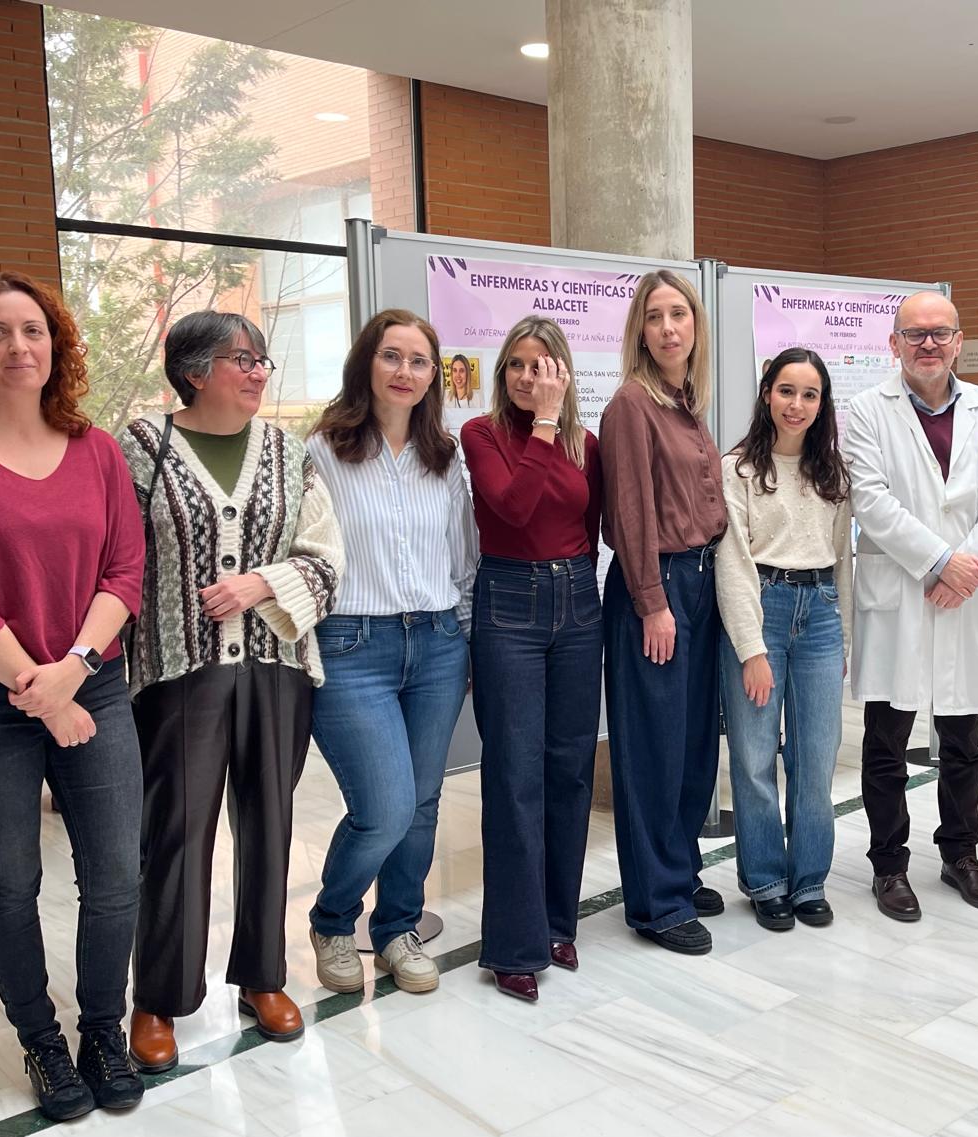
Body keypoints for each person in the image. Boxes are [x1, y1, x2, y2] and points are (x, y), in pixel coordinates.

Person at [0, 274, 146, 1121]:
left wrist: (74, 670)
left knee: (116, 873)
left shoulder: (97, 448)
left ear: (57, 344)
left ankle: (102, 1030)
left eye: (34, 330)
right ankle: (42, 1039)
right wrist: (43, 694)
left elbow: (125, 570)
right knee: (8, 878)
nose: (19, 347)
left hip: (92, 684)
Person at [120, 312, 343, 1073]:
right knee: (176, 834)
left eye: (261, 360)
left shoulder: (288, 450)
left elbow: (326, 559)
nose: (257, 372)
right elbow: (117, 561)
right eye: (240, 359)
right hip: (179, 674)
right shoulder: (141, 449)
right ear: (193, 370)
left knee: (272, 824)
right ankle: (157, 995)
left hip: (278, 666)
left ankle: (261, 976)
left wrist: (260, 584)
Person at [304, 309, 476, 998]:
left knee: (425, 802)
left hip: (436, 642)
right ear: (367, 364)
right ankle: (333, 917)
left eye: (420, 361)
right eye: (392, 356)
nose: (405, 372)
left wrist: (457, 633)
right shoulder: (322, 450)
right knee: (385, 804)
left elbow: (463, 554)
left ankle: (397, 928)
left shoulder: (447, 453)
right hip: (351, 645)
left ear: (435, 375)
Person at [846, 291, 978, 922]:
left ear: (957, 340)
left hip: (966, 596)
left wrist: (965, 566)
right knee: (887, 741)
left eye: (939, 334)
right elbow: (871, 500)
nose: (927, 344)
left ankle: (960, 855)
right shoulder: (867, 410)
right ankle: (889, 866)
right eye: (913, 334)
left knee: (964, 738)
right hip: (903, 590)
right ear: (893, 343)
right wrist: (942, 562)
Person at [462, 316, 602, 1001]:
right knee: (515, 770)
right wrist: (545, 426)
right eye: (517, 364)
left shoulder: (588, 444)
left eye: (542, 366)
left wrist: (558, 430)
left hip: (577, 599)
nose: (528, 377)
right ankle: (514, 943)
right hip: (509, 601)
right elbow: (513, 508)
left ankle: (556, 919)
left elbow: (589, 523)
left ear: (563, 372)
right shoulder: (482, 435)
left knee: (570, 767)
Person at [600, 270, 727, 955]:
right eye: (656, 317)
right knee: (653, 747)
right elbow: (631, 511)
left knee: (692, 745)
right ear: (640, 331)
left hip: (701, 584)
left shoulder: (684, 402)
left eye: (680, 313)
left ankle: (678, 868)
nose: (670, 327)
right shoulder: (631, 404)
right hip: (659, 589)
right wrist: (652, 602)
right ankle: (656, 900)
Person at [718, 348, 852, 932]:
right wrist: (751, 648)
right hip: (761, 608)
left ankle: (809, 880)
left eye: (810, 395)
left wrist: (842, 634)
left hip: (820, 610)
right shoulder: (739, 469)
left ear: (822, 405)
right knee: (751, 757)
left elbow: (845, 558)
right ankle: (766, 879)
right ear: (767, 393)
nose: (797, 405)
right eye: (786, 391)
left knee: (815, 756)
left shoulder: (834, 474)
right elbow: (732, 562)